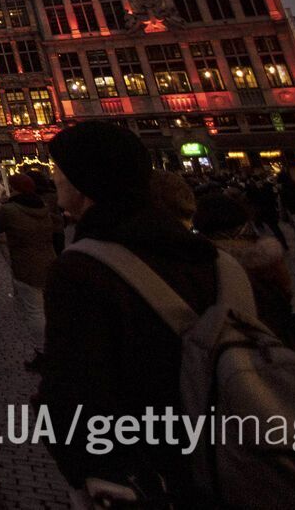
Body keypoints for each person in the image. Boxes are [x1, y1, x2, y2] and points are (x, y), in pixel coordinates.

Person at [39, 120, 219, 501]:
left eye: (60, 169)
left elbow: (77, 387)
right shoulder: (215, 260)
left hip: (142, 470)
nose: (54, 177)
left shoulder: (81, 268)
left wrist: (92, 470)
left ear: (85, 179)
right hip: (225, 454)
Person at [194, 191, 295, 360]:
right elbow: (286, 290)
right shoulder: (265, 253)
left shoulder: (200, 258)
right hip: (277, 332)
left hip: (228, 346)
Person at [0, 172, 56, 354]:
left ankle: (43, 351)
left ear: (14, 189)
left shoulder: (10, 209)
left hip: (25, 264)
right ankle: (58, 346)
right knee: (49, 306)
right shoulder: (43, 205)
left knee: (34, 310)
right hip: (49, 259)